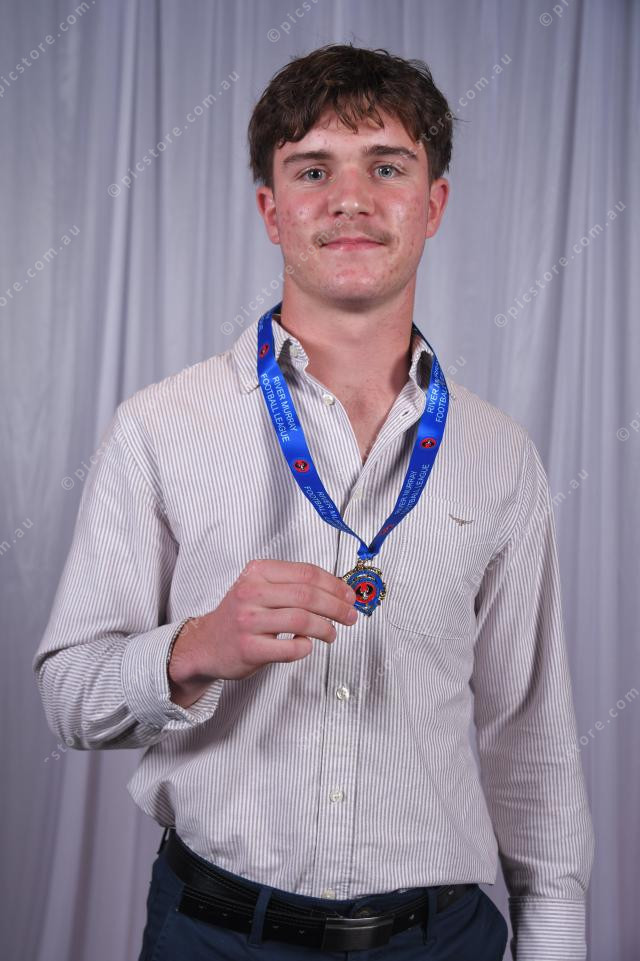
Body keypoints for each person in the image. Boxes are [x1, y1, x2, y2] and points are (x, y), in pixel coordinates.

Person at [33, 43, 594, 961]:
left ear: (434, 204)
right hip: (215, 936)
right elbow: (68, 697)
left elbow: (528, 735)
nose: (351, 199)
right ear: (272, 209)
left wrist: (556, 941)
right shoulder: (158, 426)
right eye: (313, 169)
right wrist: (194, 649)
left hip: (439, 941)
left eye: (387, 167)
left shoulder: (501, 456)